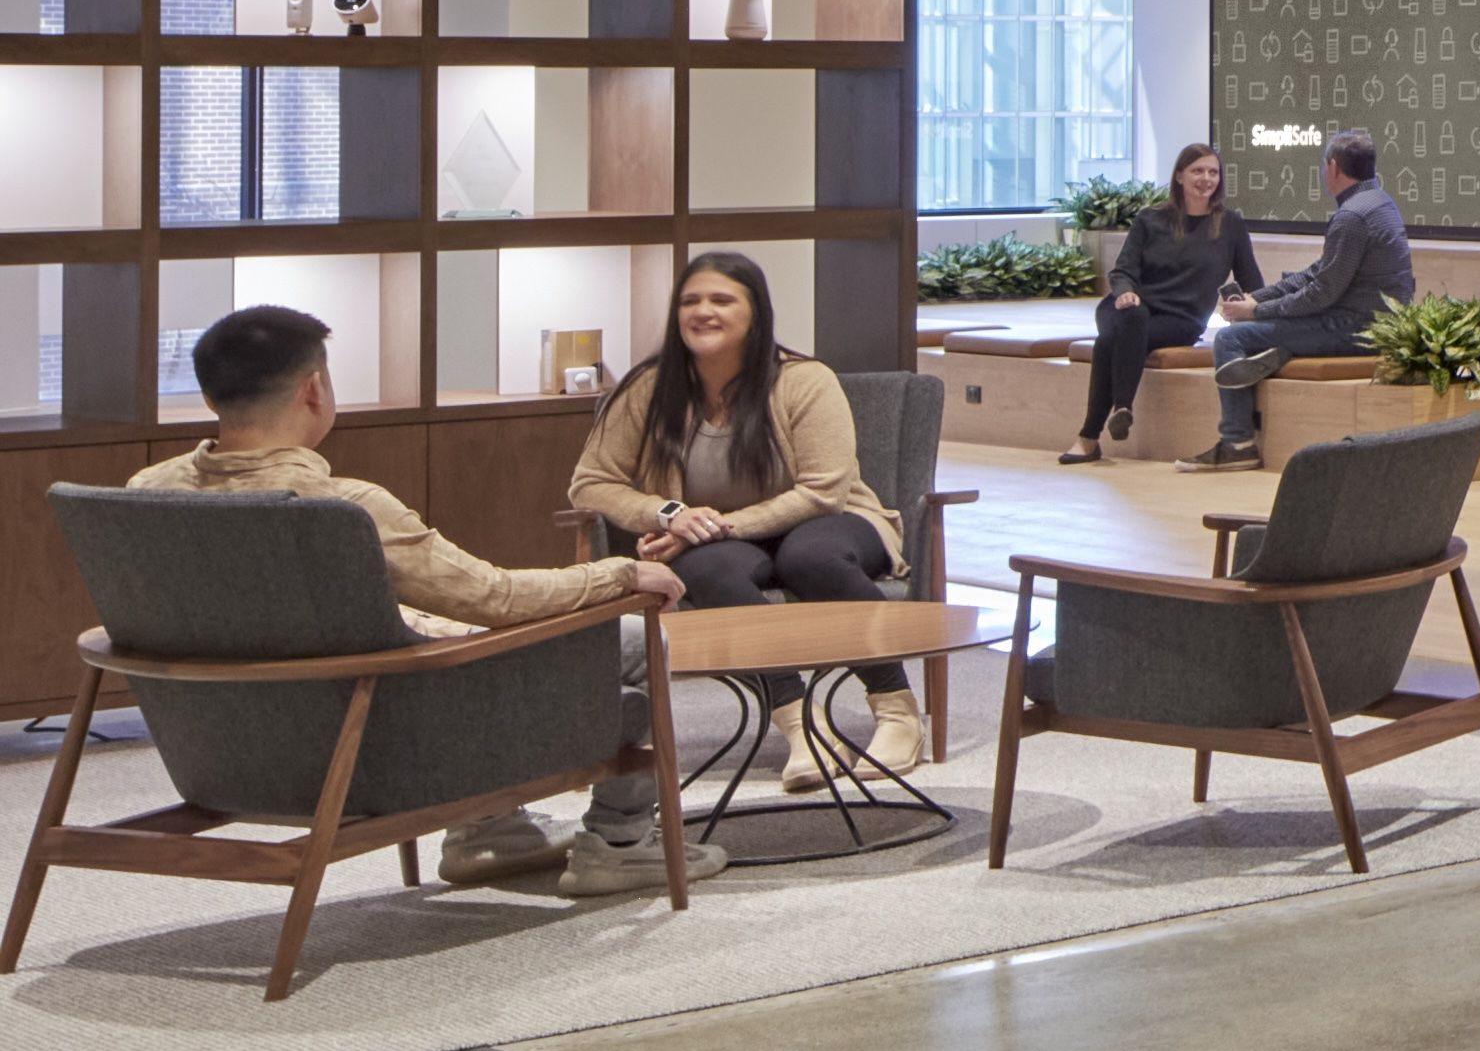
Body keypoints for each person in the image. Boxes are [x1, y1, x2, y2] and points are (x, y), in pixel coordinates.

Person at [130, 305, 719, 899]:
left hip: (225, 753)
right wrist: (620, 575)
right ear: (314, 388)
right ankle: (620, 845)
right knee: (631, 638)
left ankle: (491, 830)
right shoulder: (342, 508)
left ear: (210, 396)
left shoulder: (147, 494)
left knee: (442, 630)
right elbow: (496, 597)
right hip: (384, 753)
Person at [567, 251, 920, 794]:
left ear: (755, 313)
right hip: (721, 536)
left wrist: (721, 525)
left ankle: (897, 713)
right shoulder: (649, 387)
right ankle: (800, 724)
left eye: (721, 300)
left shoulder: (805, 380)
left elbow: (824, 490)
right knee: (705, 571)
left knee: (812, 557)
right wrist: (669, 514)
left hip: (833, 519)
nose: (702, 312)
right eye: (690, 301)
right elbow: (590, 482)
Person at [1185, 128, 1409, 474]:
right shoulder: (1379, 203)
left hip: (1355, 328)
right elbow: (1320, 273)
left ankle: (1238, 443)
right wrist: (1258, 297)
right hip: (1369, 321)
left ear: (1333, 167)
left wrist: (1257, 311)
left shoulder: (1351, 217)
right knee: (1264, 326)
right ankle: (1277, 351)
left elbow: (1321, 293)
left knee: (1231, 338)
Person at [1068, 142, 1259, 466]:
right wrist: (1126, 291)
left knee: (1108, 342)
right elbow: (1123, 270)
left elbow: (1251, 279)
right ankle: (1119, 411)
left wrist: (1256, 307)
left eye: (1213, 172)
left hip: (1180, 319)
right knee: (1130, 318)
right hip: (1130, 306)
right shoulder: (1150, 219)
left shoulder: (1230, 224)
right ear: (1180, 177)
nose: (1206, 178)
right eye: (1198, 171)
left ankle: (1091, 436)